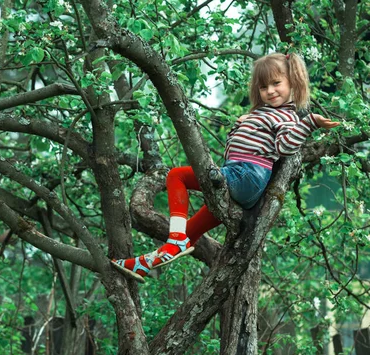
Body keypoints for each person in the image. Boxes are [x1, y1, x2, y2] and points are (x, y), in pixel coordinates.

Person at [112, 53, 340, 283]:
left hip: (245, 175)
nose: (270, 91)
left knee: (176, 176)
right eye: (263, 87)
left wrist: (310, 122)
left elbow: (285, 146)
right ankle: (142, 265)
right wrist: (244, 123)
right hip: (240, 180)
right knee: (190, 231)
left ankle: (175, 240)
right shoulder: (264, 113)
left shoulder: (285, 116)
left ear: (293, 82)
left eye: (276, 83)